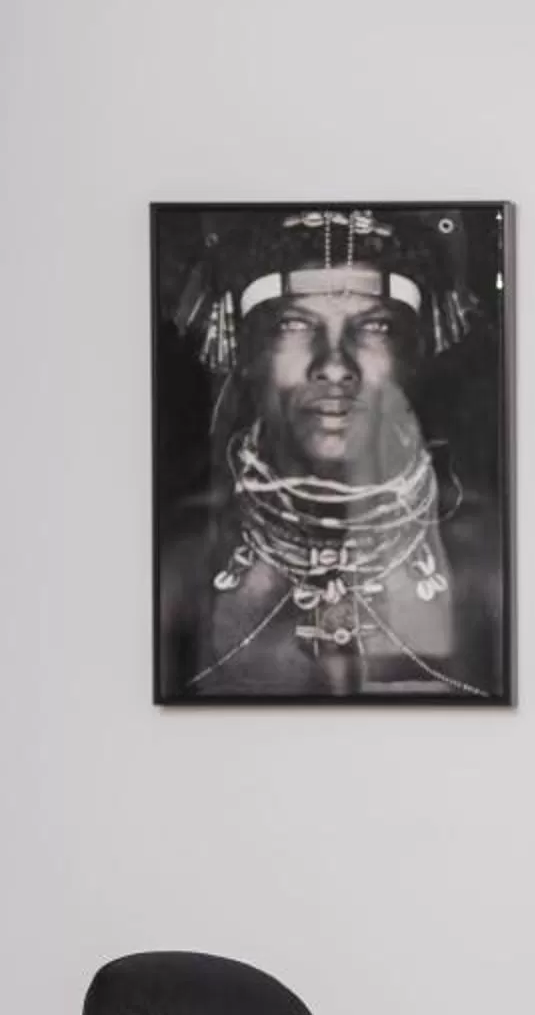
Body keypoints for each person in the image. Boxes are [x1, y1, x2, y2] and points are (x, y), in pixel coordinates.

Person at [157, 207, 505, 700]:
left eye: (376, 327)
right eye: (293, 325)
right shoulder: (179, 566)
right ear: (245, 351)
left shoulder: (489, 563)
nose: (335, 365)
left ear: (414, 353)